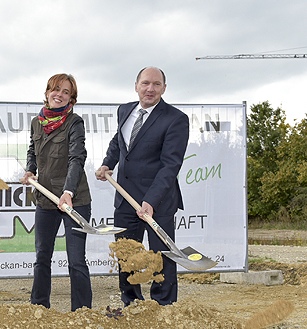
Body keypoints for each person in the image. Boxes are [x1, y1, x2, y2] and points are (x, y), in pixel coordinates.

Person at [95, 66, 189, 306]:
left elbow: (170, 165)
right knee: (126, 254)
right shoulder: (125, 110)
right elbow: (119, 142)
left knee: (161, 257)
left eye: (157, 84)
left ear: (164, 88)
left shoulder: (176, 119)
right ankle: (132, 303)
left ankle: (163, 306)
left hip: (158, 202)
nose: (150, 89)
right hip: (126, 199)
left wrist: (151, 200)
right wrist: (108, 164)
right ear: (136, 85)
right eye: (146, 83)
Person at [20, 74, 92, 311]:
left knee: (76, 260)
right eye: (56, 89)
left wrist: (68, 192)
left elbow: (76, 158)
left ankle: (82, 313)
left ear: (72, 98)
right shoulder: (36, 122)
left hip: (74, 200)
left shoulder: (75, 123)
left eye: (66, 92)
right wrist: (30, 170)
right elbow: (33, 150)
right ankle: (39, 307)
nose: (59, 95)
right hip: (46, 200)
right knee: (42, 257)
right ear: (48, 92)